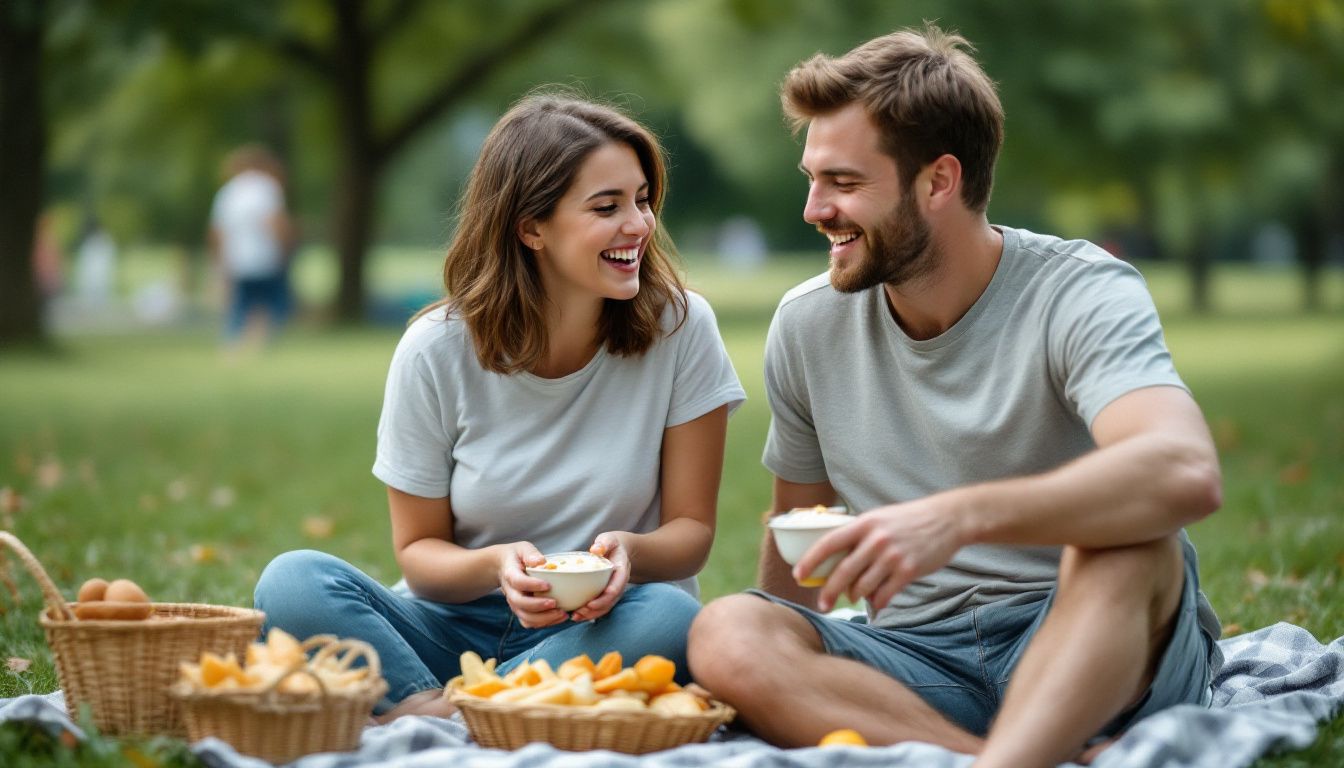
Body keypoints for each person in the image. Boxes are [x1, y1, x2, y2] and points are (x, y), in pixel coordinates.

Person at [687, 26, 1223, 768]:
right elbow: (798, 531)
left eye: (842, 183)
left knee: (1130, 542)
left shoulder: (1079, 292)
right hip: (920, 662)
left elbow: (1183, 470)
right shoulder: (808, 323)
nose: (813, 209)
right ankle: (994, 758)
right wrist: (772, 662)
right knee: (727, 630)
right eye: (812, 179)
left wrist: (958, 517)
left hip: (1091, 643)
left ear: (938, 182)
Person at [254, 92, 745, 722]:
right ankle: (476, 710)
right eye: (607, 206)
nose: (640, 225)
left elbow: (691, 534)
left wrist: (631, 551)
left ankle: (430, 714)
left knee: (675, 618)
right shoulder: (435, 349)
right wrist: (495, 566)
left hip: (604, 626)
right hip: (447, 628)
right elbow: (420, 554)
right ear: (531, 227)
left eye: (643, 199)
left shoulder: (682, 327)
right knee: (292, 582)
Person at [208, 144, 295, 346]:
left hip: (236, 257)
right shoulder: (267, 187)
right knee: (268, 303)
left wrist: (219, 261)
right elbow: (275, 222)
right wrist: (285, 248)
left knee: (240, 304)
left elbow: (218, 230)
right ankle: (256, 345)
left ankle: (234, 344)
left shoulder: (228, 191)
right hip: (264, 256)